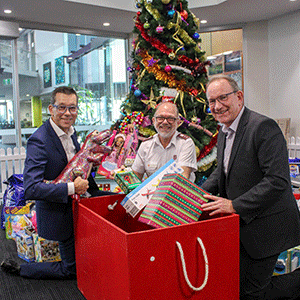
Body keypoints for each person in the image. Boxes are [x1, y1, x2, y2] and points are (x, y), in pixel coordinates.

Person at [200, 74, 300, 299]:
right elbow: (221, 173)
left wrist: (234, 205)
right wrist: (196, 194)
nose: (217, 106)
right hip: (244, 228)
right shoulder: (224, 132)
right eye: (211, 101)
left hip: (269, 228)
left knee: (253, 293)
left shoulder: (262, 126)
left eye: (222, 98)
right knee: (242, 287)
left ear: (239, 97)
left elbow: (277, 180)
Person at [1, 86, 113, 279]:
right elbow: (32, 188)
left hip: (77, 207)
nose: (67, 113)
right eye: (62, 107)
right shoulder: (40, 140)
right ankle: (21, 269)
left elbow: (75, 167)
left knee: (116, 202)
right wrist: (72, 188)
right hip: (58, 214)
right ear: (51, 109)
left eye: (72, 108)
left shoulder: (71, 133)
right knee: (71, 270)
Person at [132, 101, 197, 181]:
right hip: (152, 193)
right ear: (153, 121)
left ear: (178, 122)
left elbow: (182, 179)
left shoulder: (186, 143)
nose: (165, 122)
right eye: (160, 118)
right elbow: (135, 177)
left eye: (170, 118)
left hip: (176, 192)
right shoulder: (146, 145)